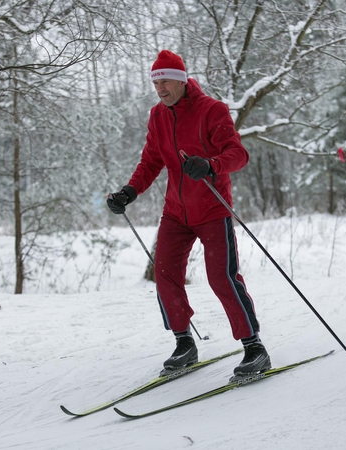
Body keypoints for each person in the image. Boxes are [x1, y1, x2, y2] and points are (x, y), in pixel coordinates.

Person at [107, 50, 271, 379]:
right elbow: (151, 160)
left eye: (165, 80)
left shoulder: (212, 110)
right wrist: (130, 191)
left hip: (212, 209)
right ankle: (184, 344)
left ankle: (254, 348)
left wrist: (211, 165)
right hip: (176, 213)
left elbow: (238, 154)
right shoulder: (158, 116)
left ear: (182, 80)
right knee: (165, 274)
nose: (160, 88)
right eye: (155, 82)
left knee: (221, 277)